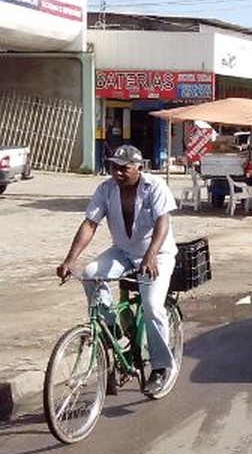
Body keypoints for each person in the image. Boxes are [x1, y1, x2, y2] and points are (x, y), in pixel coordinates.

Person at [54, 145, 178, 395]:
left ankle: (161, 368)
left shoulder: (155, 186)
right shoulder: (105, 189)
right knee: (90, 273)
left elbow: (163, 222)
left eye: (125, 168)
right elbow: (90, 224)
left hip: (158, 255)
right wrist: (70, 260)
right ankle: (111, 327)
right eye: (114, 167)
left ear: (139, 168)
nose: (118, 172)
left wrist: (151, 255)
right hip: (122, 252)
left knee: (153, 305)